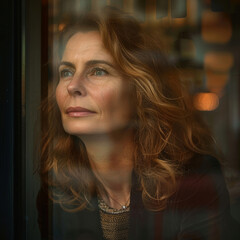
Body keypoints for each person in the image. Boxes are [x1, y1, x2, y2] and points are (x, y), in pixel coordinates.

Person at [37, 7, 240, 240]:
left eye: (98, 71)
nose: (73, 85)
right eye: (66, 72)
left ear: (140, 91)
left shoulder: (194, 181)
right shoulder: (57, 189)